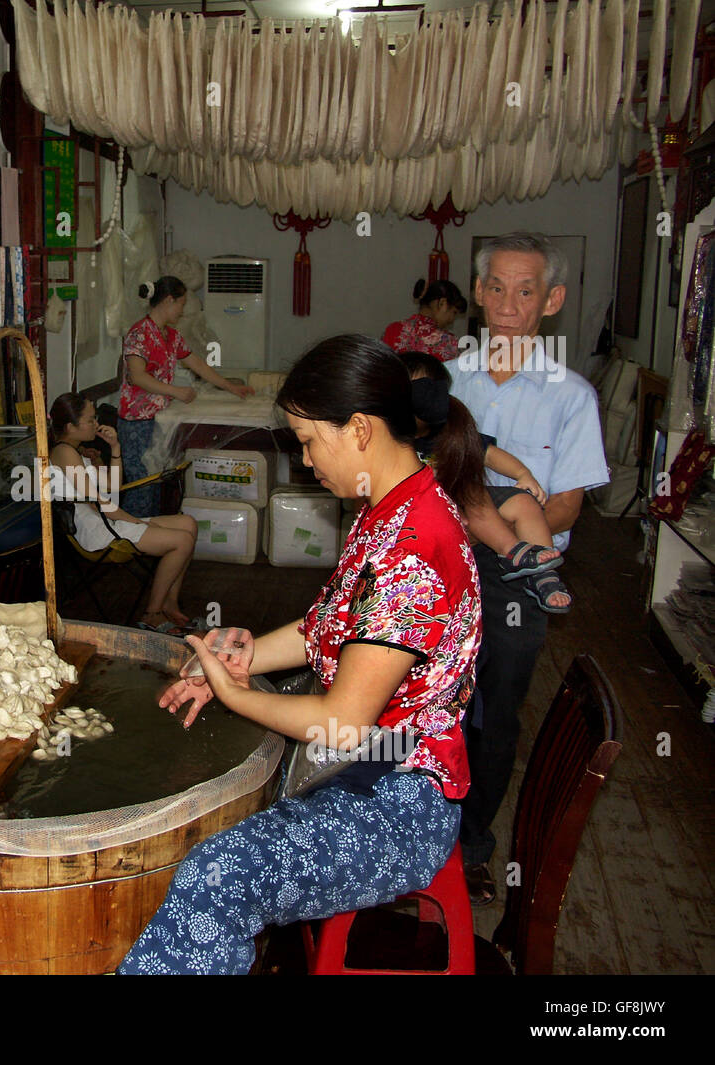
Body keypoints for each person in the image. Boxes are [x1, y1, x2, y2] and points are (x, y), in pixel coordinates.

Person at [118, 335, 481, 974]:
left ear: (361, 430)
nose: (306, 459)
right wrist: (241, 658)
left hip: (397, 802)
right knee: (200, 776)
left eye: (310, 441)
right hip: (365, 765)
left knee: (217, 875)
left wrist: (237, 694)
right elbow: (326, 628)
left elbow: (343, 721)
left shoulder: (415, 548)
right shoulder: (385, 512)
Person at [449, 232, 610, 905]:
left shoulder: (570, 396)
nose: (509, 305)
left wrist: (488, 505)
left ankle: (472, 845)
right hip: (444, 556)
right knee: (424, 696)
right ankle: (411, 830)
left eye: (526, 291)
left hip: (519, 573)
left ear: (553, 300)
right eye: (496, 288)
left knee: (496, 711)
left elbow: (567, 506)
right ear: (479, 292)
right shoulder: (448, 379)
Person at [401, 351, 571, 612]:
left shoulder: (450, 429)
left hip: (466, 497)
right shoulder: (391, 439)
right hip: (426, 513)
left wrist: (523, 474)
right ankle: (511, 551)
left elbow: (489, 454)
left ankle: (541, 574)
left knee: (523, 504)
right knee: (471, 495)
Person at [50, 392, 199, 632]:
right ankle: (152, 613)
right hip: (95, 530)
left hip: (102, 519)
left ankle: (169, 605)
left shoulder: (75, 452)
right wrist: (140, 524)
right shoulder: (65, 453)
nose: (96, 424)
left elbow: (114, 486)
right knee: (181, 541)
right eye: (90, 420)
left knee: (188, 523)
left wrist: (115, 448)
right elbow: (101, 503)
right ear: (71, 426)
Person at [119, 275, 253, 517]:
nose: (182, 311)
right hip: (136, 422)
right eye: (181, 304)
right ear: (169, 300)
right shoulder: (140, 333)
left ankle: (154, 538)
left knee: (157, 483)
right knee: (142, 485)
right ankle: (130, 540)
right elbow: (137, 376)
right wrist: (176, 391)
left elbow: (197, 364)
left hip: (159, 419)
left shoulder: (171, 336)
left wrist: (230, 387)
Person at [382, 278, 468, 362]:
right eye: (454, 312)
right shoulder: (450, 343)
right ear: (442, 303)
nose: (452, 320)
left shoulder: (393, 330)